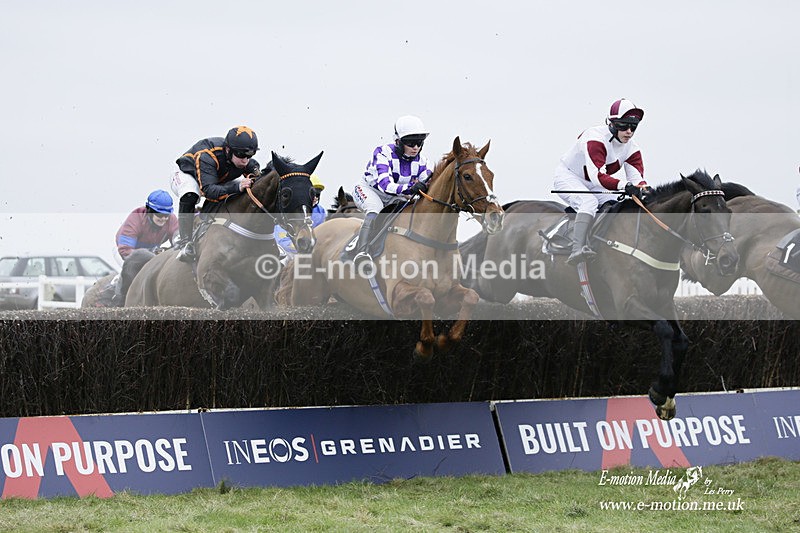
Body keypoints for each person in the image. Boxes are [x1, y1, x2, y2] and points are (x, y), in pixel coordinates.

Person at [553, 98, 651, 265]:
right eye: (623, 126)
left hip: (594, 183)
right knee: (589, 202)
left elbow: (637, 180)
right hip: (569, 177)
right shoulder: (595, 138)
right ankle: (577, 249)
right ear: (611, 124)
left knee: (617, 205)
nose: (629, 131)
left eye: (633, 127)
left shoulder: (632, 148)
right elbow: (597, 176)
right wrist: (624, 186)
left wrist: (645, 190)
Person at [352, 115, 434, 270]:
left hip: (396, 196)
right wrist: (411, 188)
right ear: (398, 141)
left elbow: (429, 183)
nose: (416, 147)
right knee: (374, 209)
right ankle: (361, 252)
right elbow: (385, 185)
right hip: (371, 191)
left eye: (419, 142)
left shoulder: (423, 161)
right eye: (411, 143)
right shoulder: (383, 153)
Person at [170, 126, 261, 263]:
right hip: (188, 175)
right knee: (190, 194)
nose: (245, 161)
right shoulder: (207, 156)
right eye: (241, 155)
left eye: (250, 156)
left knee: (245, 189)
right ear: (228, 150)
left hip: (215, 179)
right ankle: (185, 242)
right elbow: (209, 191)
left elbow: (257, 179)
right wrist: (237, 187)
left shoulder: (245, 161)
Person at [115, 189, 179, 262]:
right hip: (124, 252)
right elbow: (125, 251)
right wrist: (150, 255)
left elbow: (179, 243)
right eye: (160, 215)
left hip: (150, 251)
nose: (164, 218)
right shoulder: (136, 218)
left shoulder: (171, 220)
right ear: (149, 211)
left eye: (166, 215)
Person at [274, 174, 327, 256]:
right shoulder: (289, 210)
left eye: (317, 194)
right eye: (313, 194)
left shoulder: (320, 211)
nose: (315, 198)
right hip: (288, 252)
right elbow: (282, 241)